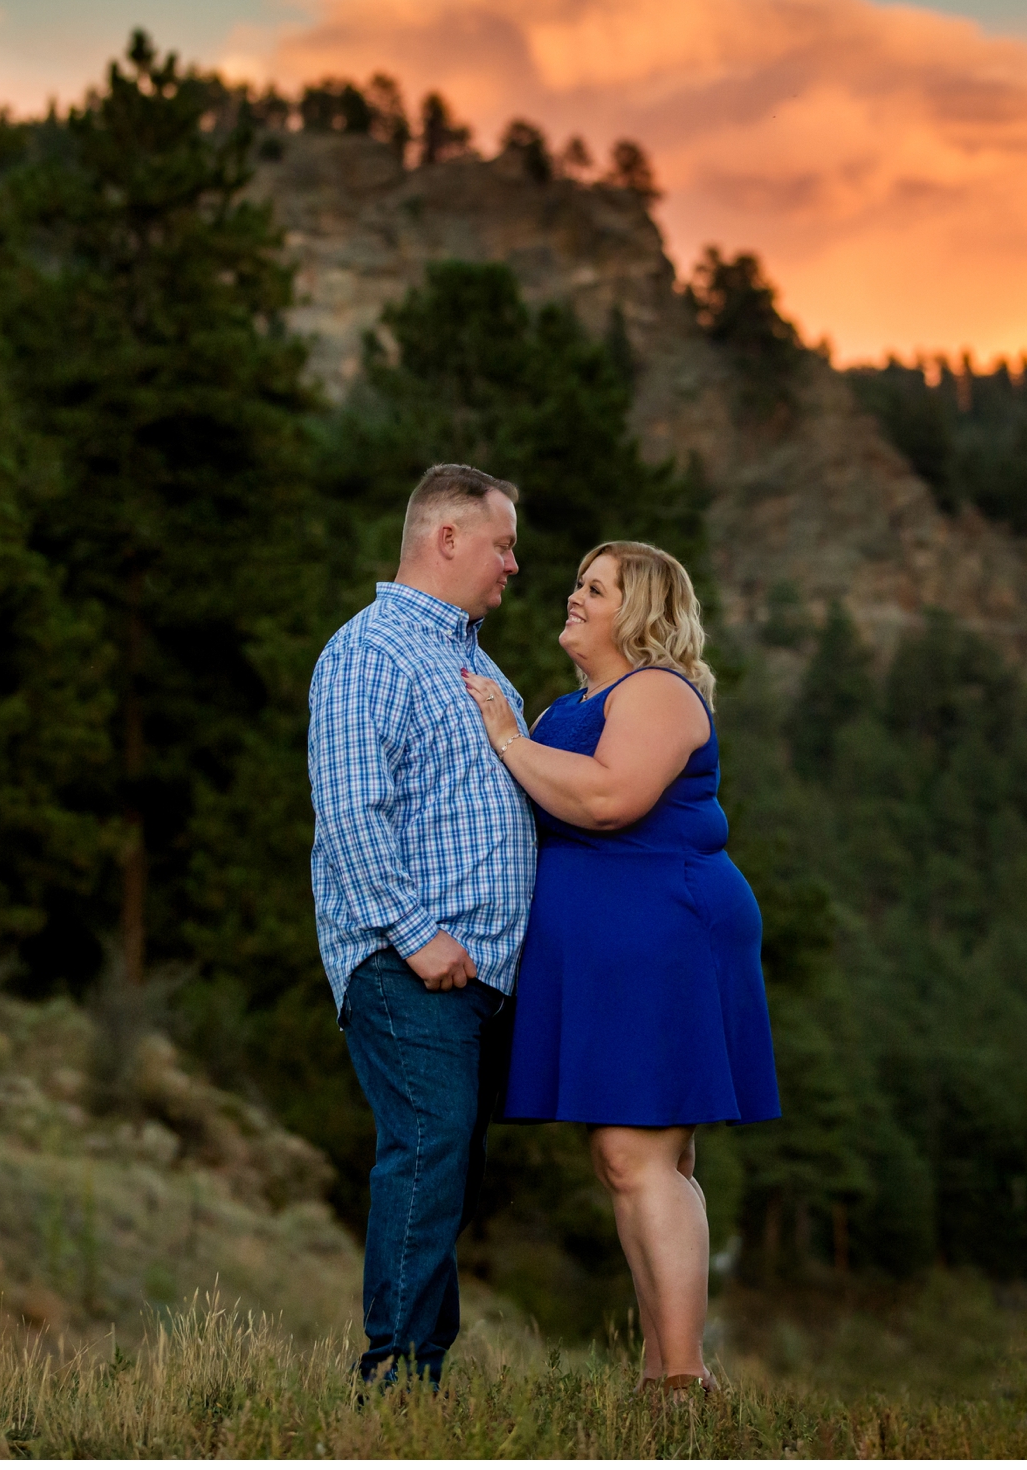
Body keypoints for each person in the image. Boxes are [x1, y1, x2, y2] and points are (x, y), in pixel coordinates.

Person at [459, 540, 779, 1396]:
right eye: (578, 584)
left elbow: (609, 798)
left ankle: (679, 1384)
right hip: (612, 942)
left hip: (662, 930)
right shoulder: (587, 700)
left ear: (637, 615)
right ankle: (667, 1373)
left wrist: (503, 737)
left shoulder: (658, 693)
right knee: (636, 1159)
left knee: (639, 1154)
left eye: (594, 590)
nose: (574, 597)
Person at [307, 463, 536, 1388]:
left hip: (473, 979)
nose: (515, 565)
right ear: (446, 539)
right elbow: (351, 809)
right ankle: (396, 1376)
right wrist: (416, 933)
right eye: (503, 543)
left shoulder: (476, 663)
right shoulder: (372, 650)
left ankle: (421, 1375)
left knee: (451, 1165)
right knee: (430, 1149)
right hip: (411, 965)